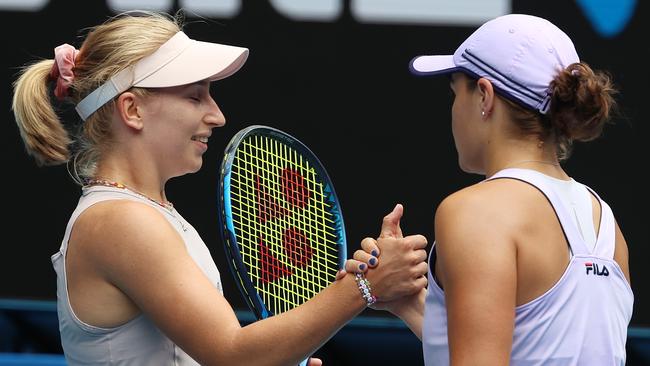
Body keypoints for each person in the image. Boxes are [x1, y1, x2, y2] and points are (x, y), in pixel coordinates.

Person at [11, 10, 429, 366]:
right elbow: (230, 354)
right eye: (196, 97)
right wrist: (364, 286)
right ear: (132, 109)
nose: (217, 115)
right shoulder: (120, 220)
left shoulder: (142, 212)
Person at [347, 13, 633, 365]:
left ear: (484, 96)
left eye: (455, 93)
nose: (452, 110)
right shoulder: (606, 223)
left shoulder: (474, 212)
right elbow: (531, 347)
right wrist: (413, 307)